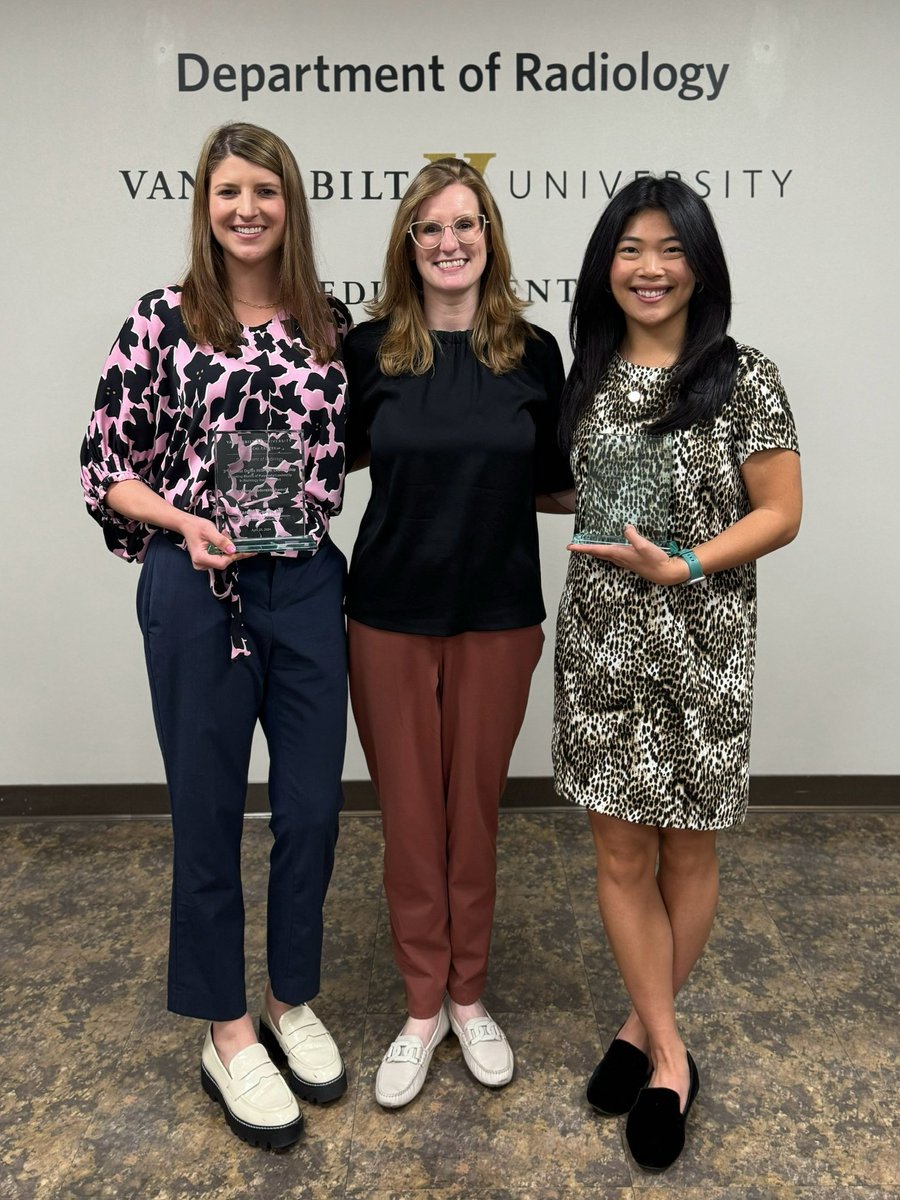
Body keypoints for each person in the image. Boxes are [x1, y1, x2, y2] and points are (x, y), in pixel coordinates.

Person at [81, 123, 351, 1150]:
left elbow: (351, 450)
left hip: (306, 585)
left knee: (315, 811)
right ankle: (227, 1028)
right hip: (198, 590)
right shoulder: (161, 322)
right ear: (205, 202)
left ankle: (290, 998)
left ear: (291, 204)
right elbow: (107, 468)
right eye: (229, 190)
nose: (248, 208)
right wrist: (184, 519)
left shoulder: (328, 322)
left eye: (267, 191)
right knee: (205, 813)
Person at [553, 176, 801, 1171]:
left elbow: (780, 511)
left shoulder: (745, 377)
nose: (648, 269)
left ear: (700, 263)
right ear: (605, 266)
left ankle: (648, 1045)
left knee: (688, 856)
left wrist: (687, 561)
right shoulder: (592, 372)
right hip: (603, 645)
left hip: (702, 640)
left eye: (668, 249)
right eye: (629, 250)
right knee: (619, 857)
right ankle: (665, 1046)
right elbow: (588, 494)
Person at [343, 158, 573, 1108]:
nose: (449, 241)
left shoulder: (532, 352)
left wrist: (655, 507)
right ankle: (419, 1004)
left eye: (466, 225)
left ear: (490, 238)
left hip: (498, 613)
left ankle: (469, 996)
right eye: (430, 227)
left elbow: (556, 482)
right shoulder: (367, 351)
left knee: (474, 810)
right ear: (408, 242)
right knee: (408, 815)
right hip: (388, 613)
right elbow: (320, 467)